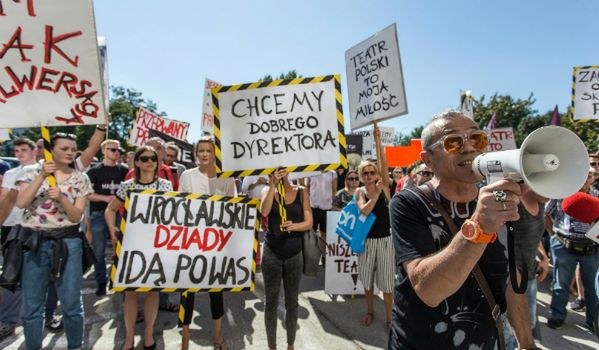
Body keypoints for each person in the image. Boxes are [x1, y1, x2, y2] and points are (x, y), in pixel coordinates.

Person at [389, 110, 533, 349]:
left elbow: (511, 284)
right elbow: (428, 290)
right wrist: (479, 225)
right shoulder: (408, 203)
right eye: (453, 141)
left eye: (476, 138)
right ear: (428, 159)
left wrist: (527, 344)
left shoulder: (499, 198)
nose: (468, 147)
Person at [15, 132, 93, 350]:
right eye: (64, 148)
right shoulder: (30, 172)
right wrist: (41, 176)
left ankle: (76, 345)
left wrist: (61, 198)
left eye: (72, 149)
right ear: (51, 150)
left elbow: (77, 216)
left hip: (68, 242)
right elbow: (21, 203)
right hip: (34, 242)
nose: (69, 153)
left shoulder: (81, 178)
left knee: (71, 303)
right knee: (32, 306)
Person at [105, 146, 173, 350]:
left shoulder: (166, 185)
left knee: (152, 292)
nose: (149, 161)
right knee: (131, 293)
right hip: (130, 244)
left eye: (153, 158)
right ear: (136, 162)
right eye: (144, 158)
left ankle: (149, 334)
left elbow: (174, 212)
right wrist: (112, 228)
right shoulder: (127, 186)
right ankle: (129, 337)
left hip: (155, 244)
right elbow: (110, 209)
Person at [178, 136, 236, 350]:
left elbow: (234, 210)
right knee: (187, 290)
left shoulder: (227, 178)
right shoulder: (187, 176)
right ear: (195, 153)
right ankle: (185, 339)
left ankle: (218, 337)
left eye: (208, 151)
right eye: (200, 150)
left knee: (216, 291)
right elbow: (181, 208)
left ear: (215, 153)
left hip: (216, 244)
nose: (204, 154)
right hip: (191, 242)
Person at [260, 167, 312, 350]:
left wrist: (294, 226)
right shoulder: (267, 190)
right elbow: (264, 212)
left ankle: (291, 345)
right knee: (271, 302)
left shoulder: (301, 191)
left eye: (282, 170)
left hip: (294, 254)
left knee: (292, 302)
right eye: (275, 171)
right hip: (272, 253)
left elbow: (309, 222)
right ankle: (271, 346)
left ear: (289, 171)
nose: (280, 173)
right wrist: (273, 184)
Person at [545, 167, 599, 332]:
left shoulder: (597, 196)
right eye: (582, 175)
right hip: (563, 245)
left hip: (591, 250)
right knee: (561, 284)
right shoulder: (562, 191)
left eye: (589, 175)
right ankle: (557, 316)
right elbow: (546, 213)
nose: (585, 179)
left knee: (592, 288)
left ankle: (593, 321)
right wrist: (553, 234)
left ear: (593, 178)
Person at [0, 138, 38, 341]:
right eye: (16, 150)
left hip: (35, 227)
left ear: (35, 151)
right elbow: (5, 199)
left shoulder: (43, 170)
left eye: (24, 149)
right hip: (11, 228)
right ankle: (7, 321)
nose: (19, 153)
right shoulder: (10, 173)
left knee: (40, 276)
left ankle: (45, 316)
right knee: (11, 276)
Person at [355, 157, 394, 329]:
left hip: (385, 241)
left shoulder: (385, 187)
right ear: (361, 176)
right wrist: (376, 194)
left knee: (387, 284)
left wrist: (378, 139)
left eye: (372, 172)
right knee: (367, 281)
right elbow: (364, 211)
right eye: (365, 173)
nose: (369, 175)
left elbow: (385, 165)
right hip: (367, 242)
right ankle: (370, 311)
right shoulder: (359, 192)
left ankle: (390, 319)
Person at [86, 139, 128, 296]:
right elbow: (88, 194)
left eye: (119, 150)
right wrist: (106, 199)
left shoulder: (123, 170)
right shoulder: (94, 171)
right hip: (98, 215)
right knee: (99, 251)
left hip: (120, 214)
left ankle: (118, 279)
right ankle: (101, 281)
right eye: (113, 150)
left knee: (121, 248)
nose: (117, 152)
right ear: (103, 151)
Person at [306, 170, 336, 248]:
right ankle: (311, 254)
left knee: (325, 234)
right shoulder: (310, 171)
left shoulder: (333, 173)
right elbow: (306, 187)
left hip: (327, 208)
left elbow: (334, 190)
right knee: (311, 234)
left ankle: (324, 255)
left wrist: (331, 203)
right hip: (312, 208)